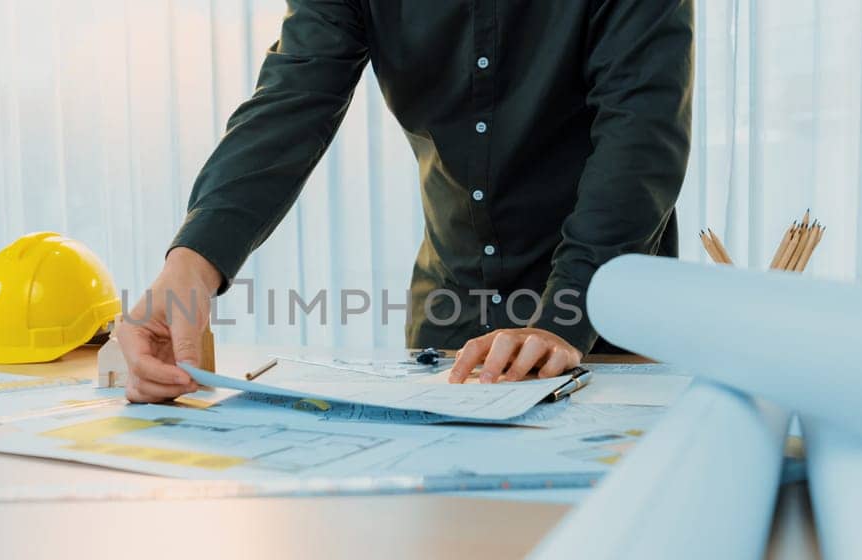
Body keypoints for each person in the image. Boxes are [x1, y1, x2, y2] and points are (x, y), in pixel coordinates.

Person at [117, 0, 693, 402]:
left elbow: (640, 134)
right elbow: (292, 99)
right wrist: (190, 264)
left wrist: (562, 316)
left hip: (613, 332)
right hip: (452, 332)